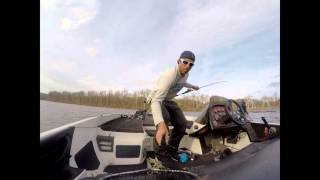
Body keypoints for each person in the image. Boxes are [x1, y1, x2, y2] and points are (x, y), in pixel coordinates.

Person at [146, 50, 199, 161]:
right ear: (178, 61)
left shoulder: (186, 74)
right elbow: (156, 100)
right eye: (185, 62)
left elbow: (183, 82)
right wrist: (160, 124)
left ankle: (172, 150)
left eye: (191, 64)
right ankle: (160, 156)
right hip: (157, 99)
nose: (188, 66)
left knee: (182, 123)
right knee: (163, 122)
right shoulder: (169, 75)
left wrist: (193, 86)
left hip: (168, 100)